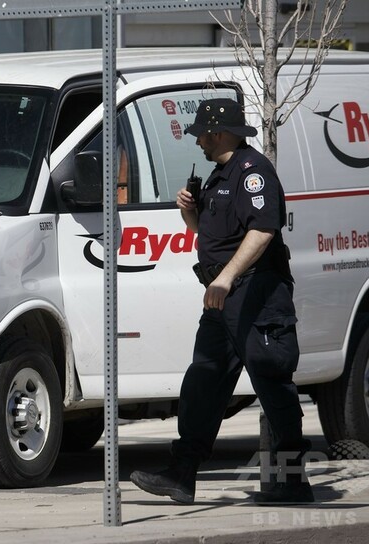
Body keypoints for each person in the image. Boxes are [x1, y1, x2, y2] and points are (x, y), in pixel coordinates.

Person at [129, 98, 313, 505]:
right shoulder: (218, 176)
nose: (198, 141)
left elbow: (263, 230)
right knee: (204, 381)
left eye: (202, 134)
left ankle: (293, 482)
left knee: (272, 382)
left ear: (218, 132)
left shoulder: (253, 172)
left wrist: (226, 278)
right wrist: (189, 214)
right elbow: (211, 234)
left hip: (256, 293)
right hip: (223, 296)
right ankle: (182, 474)